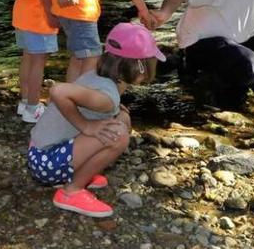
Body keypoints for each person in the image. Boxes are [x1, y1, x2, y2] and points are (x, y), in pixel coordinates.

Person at [28, 22, 165, 217]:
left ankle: (80, 172)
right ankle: (71, 191)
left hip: (41, 151)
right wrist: (86, 126)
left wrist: (119, 113)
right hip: (45, 162)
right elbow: (58, 90)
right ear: (140, 67)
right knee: (119, 135)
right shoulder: (106, 97)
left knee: (121, 121)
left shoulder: (98, 76)